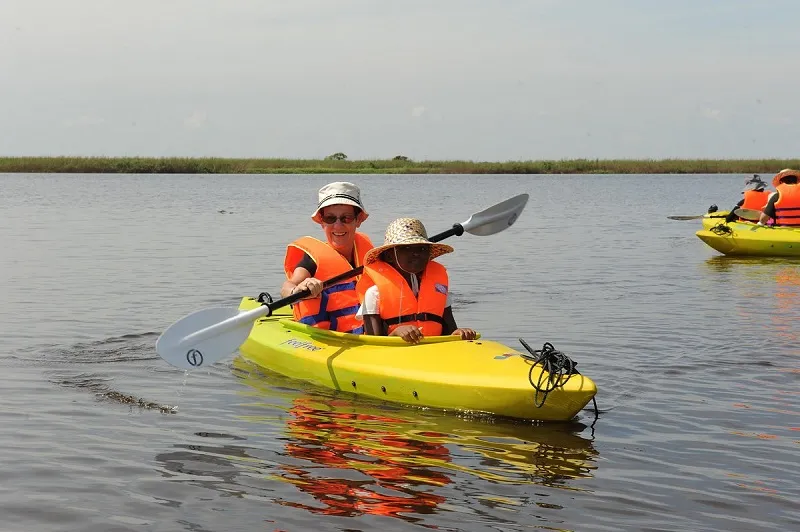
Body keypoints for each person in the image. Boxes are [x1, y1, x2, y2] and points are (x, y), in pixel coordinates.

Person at [356, 218, 477, 344]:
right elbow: (373, 345)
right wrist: (395, 333)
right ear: (389, 256)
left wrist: (458, 334)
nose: (416, 254)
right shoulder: (374, 294)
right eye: (406, 248)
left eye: (423, 249)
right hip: (394, 358)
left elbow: (450, 331)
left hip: (433, 354)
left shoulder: (439, 288)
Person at [281, 182, 374, 333]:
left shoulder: (371, 255)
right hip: (326, 337)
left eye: (346, 218)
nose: (337, 226)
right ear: (322, 222)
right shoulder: (312, 259)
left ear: (358, 220)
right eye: (330, 219)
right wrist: (298, 290)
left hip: (369, 333)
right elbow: (287, 287)